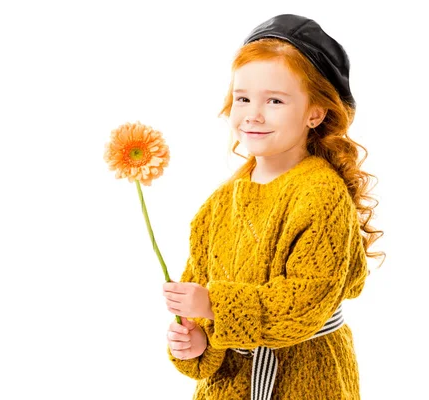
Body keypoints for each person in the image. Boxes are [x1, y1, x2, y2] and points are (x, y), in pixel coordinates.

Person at [161, 14, 385, 400]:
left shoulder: (320, 193)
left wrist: (215, 303)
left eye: (275, 101)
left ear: (315, 113)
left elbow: (305, 303)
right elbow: (199, 308)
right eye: (243, 98)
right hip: (229, 385)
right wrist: (196, 342)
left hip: (306, 379)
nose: (253, 114)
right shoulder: (217, 205)